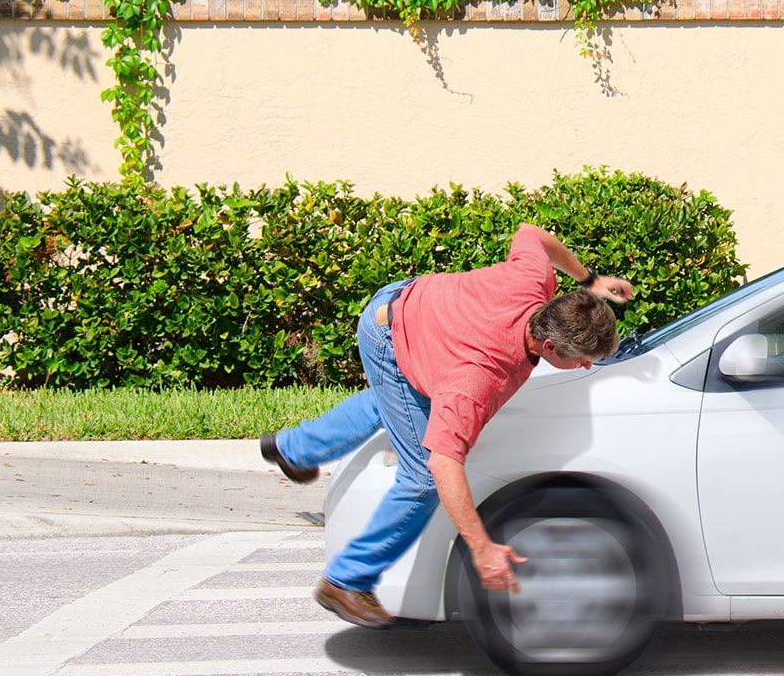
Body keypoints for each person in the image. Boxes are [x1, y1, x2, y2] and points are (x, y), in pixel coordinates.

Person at [258, 223, 633, 629]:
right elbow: (442, 464)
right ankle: (346, 580)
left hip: (412, 305)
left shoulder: (533, 281)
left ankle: (292, 448)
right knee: (420, 476)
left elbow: (531, 234)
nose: (586, 367)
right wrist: (482, 548)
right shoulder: (477, 378)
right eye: (580, 358)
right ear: (548, 346)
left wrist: (590, 280)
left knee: (393, 402)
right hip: (390, 335)